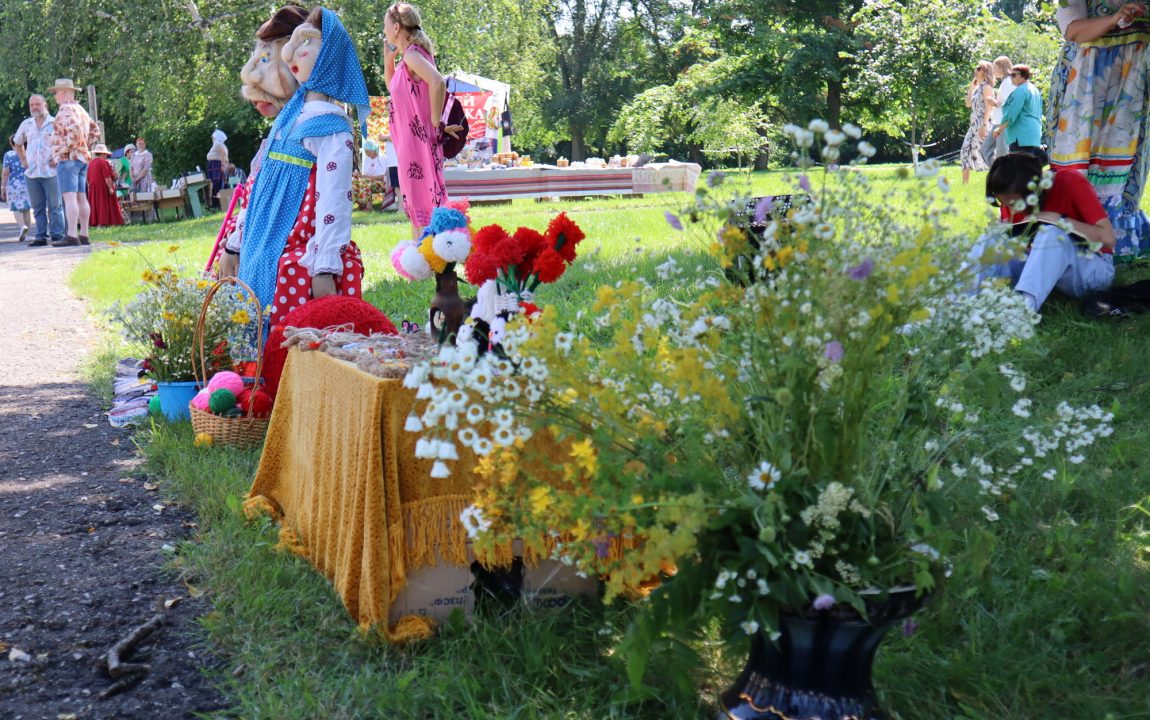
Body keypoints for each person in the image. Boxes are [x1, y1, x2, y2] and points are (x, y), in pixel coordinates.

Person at [223, 7, 368, 328]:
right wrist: (234, 244)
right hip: (260, 244)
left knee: (293, 319)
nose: (291, 53)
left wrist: (326, 265)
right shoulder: (288, 120)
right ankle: (256, 371)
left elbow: (334, 199)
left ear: (329, 56)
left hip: (299, 248)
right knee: (250, 304)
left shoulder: (331, 126)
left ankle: (286, 371)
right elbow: (257, 188)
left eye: (306, 43)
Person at [206, 4, 310, 274]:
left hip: (289, 252)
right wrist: (234, 244)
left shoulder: (311, 129)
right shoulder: (277, 135)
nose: (250, 75)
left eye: (267, 59)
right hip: (258, 246)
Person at [1048, 2, 1150, 254]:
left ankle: (1117, 239)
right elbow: (1072, 30)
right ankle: (1071, 237)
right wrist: (1114, 19)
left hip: (1133, 75)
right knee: (1079, 159)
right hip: (1086, 79)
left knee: (1126, 159)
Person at [968, 152, 1115, 313]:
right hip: (1040, 269)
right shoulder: (1012, 192)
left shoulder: (1070, 181)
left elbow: (1108, 239)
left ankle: (1020, 314)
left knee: (1052, 234)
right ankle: (960, 303)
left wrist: (1058, 220)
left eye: (1012, 203)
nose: (1010, 210)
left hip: (1093, 269)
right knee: (991, 237)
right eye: (1002, 203)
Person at [384, 2, 459, 238]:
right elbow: (394, 88)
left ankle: (426, 257)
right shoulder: (410, 56)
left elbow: (437, 81)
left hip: (417, 144)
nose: (384, 31)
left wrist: (436, 122)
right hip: (410, 143)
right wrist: (388, 61)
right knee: (419, 200)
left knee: (421, 201)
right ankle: (425, 257)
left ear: (396, 27)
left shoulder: (412, 55)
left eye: (385, 26)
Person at [48, 78, 101, 247]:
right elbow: (95, 131)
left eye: (56, 93)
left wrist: (64, 149)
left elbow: (74, 131)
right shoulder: (81, 110)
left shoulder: (65, 110)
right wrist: (85, 146)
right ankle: (84, 234)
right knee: (81, 197)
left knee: (69, 198)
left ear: (63, 93)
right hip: (81, 158)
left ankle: (71, 234)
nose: (55, 96)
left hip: (68, 158)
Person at [13, 94, 65, 247]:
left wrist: (58, 158)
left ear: (45, 104)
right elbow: (17, 142)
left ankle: (57, 235)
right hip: (32, 172)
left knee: (55, 206)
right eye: (32, 105)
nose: (34, 107)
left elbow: (65, 143)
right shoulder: (26, 124)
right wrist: (23, 159)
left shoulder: (55, 122)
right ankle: (41, 236)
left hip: (51, 172)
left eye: (37, 104)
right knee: (37, 207)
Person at [994, 65, 1045, 164]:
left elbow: (1011, 114)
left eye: (1013, 75)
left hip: (1021, 137)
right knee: (1031, 169)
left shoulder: (1020, 90)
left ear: (1021, 76)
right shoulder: (1035, 90)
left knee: (1020, 170)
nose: (1011, 78)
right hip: (1033, 136)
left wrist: (999, 129)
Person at [961, 61, 995, 184]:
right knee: (965, 151)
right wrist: (971, 88)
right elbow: (968, 104)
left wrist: (984, 125)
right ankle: (965, 185)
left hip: (982, 123)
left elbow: (989, 107)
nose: (975, 70)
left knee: (987, 154)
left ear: (985, 71)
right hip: (973, 124)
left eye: (978, 68)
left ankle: (997, 181)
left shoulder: (987, 87)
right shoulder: (978, 88)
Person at [2, 135, 33, 241]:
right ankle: (27, 234)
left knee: (16, 208)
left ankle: (22, 226)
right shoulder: (28, 153)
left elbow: (5, 173)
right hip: (28, 183)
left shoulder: (9, 155)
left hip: (14, 185)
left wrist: (2, 187)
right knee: (26, 209)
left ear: (11, 144)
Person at [86, 144, 123, 227]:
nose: (107, 156)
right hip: (102, 187)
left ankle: (95, 222)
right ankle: (105, 222)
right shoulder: (104, 162)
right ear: (103, 154)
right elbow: (107, 177)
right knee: (104, 205)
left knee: (95, 205)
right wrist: (110, 188)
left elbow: (87, 178)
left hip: (93, 188)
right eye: (106, 154)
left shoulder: (91, 163)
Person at [989, 56, 1015, 160]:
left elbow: (1009, 102)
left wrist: (994, 102)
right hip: (999, 121)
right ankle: (998, 171)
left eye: (995, 68)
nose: (994, 71)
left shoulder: (1008, 82)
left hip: (1003, 121)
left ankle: (1003, 173)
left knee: (1002, 152)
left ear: (1001, 67)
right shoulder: (1006, 82)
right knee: (993, 151)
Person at [353, 139, 389, 210]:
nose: (367, 153)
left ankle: (368, 206)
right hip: (368, 181)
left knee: (366, 183)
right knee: (355, 182)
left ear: (374, 150)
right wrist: (358, 176)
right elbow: (365, 176)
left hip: (382, 184)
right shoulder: (367, 160)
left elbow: (383, 177)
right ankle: (361, 204)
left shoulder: (382, 158)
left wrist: (366, 177)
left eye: (368, 151)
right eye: (366, 151)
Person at [206, 129, 230, 210]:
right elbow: (226, 157)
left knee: (215, 183)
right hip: (215, 165)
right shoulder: (221, 145)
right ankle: (218, 204)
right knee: (217, 183)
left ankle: (217, 204)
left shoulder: (218, 144)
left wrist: (223, 165)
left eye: (213, 137)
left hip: (215, 165)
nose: (212, 138)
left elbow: (223, 154)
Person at [381, 128, 400, 211]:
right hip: (393, 162)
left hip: (397, 161)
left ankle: (402, 208)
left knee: (399, 187)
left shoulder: (397, 123)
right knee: (396, 187)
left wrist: (385, 138)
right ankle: (401, 206)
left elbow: (398, 138)